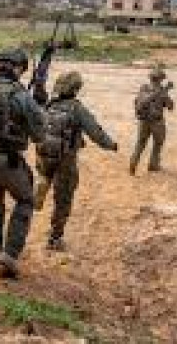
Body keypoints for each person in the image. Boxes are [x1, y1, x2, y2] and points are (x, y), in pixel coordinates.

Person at [0, 48, 47, 278]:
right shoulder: (20, 96)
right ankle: (9, 256)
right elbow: (40, 135)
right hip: (8, 161)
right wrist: (38, 106)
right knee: (25, 201)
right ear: (17, 68)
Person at [35, 71, 118, 251]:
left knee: (46, 177)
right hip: (65, 160)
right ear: (75, 89)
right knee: (63, 198)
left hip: (44, 155)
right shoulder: (76, 109)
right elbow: (95, 132)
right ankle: (55, 238)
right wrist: (111, 145)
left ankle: (41, 184)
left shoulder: (49, 105)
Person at [129, 66, 174, 174]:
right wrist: (166, 92)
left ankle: (133, 164)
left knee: (140, 144)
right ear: (161, 79)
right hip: (156, 122)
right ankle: (153, 165)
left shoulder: (143, 88)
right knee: (158, 143)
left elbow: (137, 102)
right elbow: (170, 106)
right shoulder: (162, 91)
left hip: (143, 121)